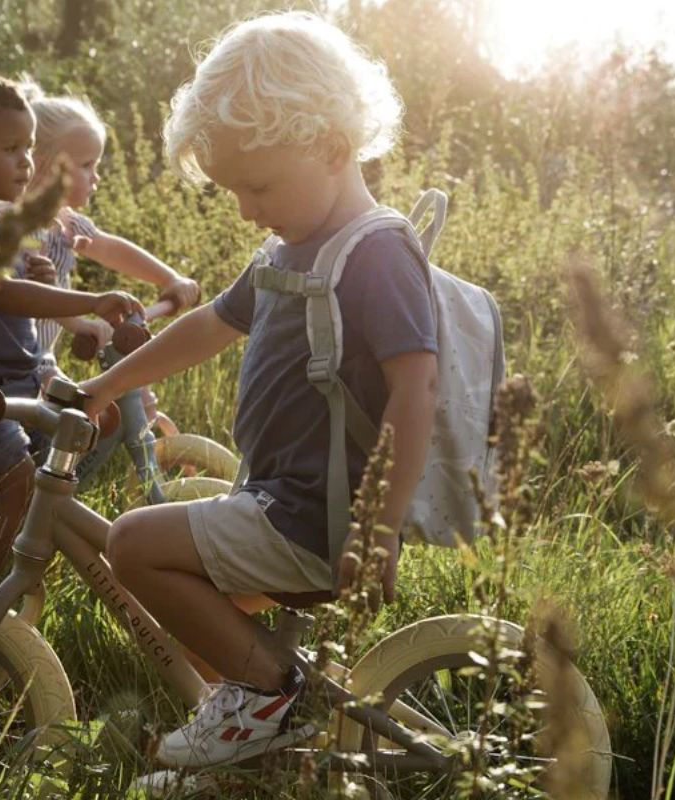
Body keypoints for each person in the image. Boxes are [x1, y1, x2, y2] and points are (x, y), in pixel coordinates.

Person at [80, 12, 438, 768]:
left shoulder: (374, 254)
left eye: (258, 185)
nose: (245, 208)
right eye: (232, 190)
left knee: (132, 543)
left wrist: (380, 531)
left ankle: (273, 696)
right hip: (279, 498)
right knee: (199, 607)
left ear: (333, 148)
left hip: (319, 518)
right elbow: (211, 322)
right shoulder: (288, 249)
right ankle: (251, 747)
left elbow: (416, 393)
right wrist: (105, 384)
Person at [0, 70, 143, 573]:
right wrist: (87, 302)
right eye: (12, 150)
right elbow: (1, 294)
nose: (26, 162)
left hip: (6, 378)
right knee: (21, 480)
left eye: (29, 149)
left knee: (69, 439)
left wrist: (37, 274)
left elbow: (12, 293)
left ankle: (12, 532)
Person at [20, 79, 200, 381]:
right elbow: (35, 296)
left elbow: (110, 248)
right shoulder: (21, 228)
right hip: (17, 363)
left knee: (98, 413)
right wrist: (79, 325)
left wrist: (169, 278)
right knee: (76, 417)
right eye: (87, 165)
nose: (96, 177)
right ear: (43, 166)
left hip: (44, 361)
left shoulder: (66, 222)